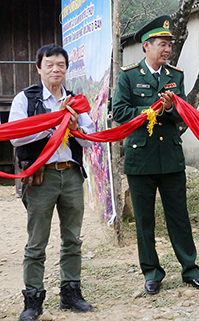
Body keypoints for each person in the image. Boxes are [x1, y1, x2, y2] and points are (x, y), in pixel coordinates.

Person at [112, 16, 199, 295]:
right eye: (162, 44)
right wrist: (149, 112)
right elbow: (119, 112)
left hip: (170, 157)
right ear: (146, 46)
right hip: (140, 158)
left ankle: (190, 270)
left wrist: (168, 110)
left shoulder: (175, 76)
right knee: (144, 221)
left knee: (179, 217)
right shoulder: (129, 75)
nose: (167, 50)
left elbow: (184, 114)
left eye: (169, 45)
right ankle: (152, 273)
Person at [9, 44, 96, 320]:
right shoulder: (25, 99)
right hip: (41, 177)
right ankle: (33, 300)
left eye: (61, 65)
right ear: (39, 68)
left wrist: (72, 126)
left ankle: (71, 293)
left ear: (67, 69)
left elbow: (90, 138)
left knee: (72, 238)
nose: (56, 69)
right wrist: (52, 123)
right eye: (50, 65)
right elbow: (16, 136)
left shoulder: (76, 101)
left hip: (70, 173)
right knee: (36, 241)